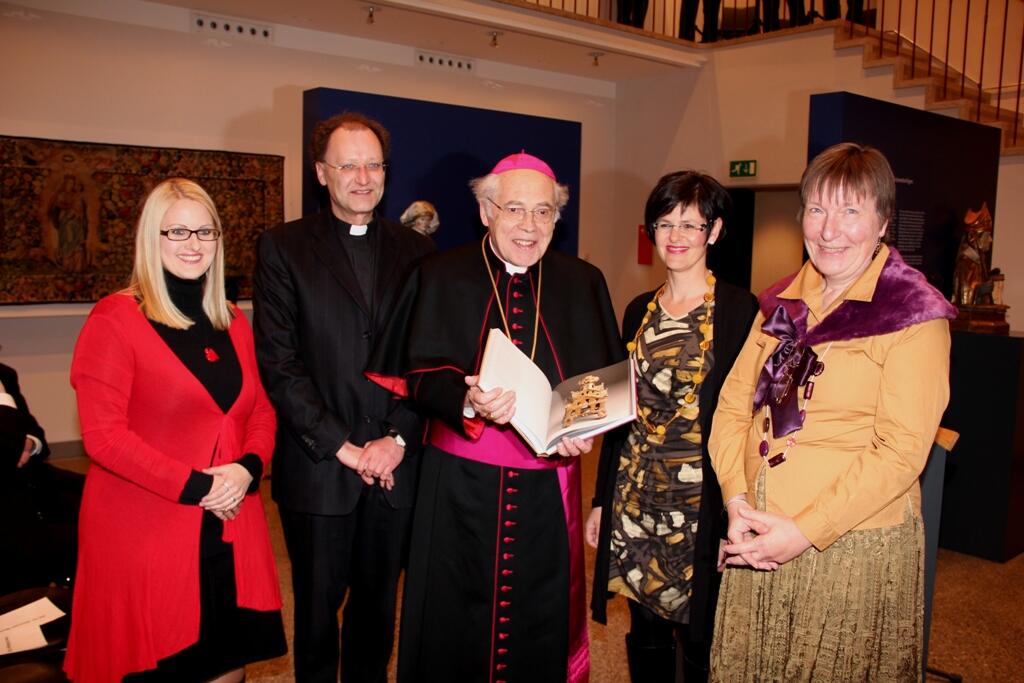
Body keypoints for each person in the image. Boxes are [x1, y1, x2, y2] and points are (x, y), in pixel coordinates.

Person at [366, 152, 622, 683]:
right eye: (515, 209)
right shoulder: (439, 274)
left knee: (539, 611)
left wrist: (581, 430)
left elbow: (602, 383)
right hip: (458, 484)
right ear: (486, 211)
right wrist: (466, 401)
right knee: (451, 614)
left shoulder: (584, 281)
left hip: (546, 492)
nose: (530, 226)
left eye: (544, 212)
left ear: (557, 217)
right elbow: (412, 374)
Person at [708, 143, 956, 681]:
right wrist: (736, 499)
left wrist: (804, 531)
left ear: (883, 221)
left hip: (847, 548)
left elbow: (900, 451)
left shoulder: (912, 315)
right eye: (817, 209)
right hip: (755, 536)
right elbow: (732, 408)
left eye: (851, 211)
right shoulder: (782, 304)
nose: (829, 230)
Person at [64, 179, 286, 682]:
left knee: (227, 663)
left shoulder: (231, 318)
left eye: (205, 231)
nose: (193, 244)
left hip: (229, 524)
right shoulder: (116, 319)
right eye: (177, 231)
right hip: (146, 529)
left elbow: (262, 412)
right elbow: (104, 437)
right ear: (151, 238)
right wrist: (201, 486)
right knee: (162, 664)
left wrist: (247, 470)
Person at [253, 112, 434, 683]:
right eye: (348, 164)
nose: (363, 177)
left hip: (395, 468)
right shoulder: (282, 248)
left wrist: (399, 437)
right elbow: (280, 367)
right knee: (314, 620)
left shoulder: (420, 252)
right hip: (318, 468)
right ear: (321, 173)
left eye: (374, 164)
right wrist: (347, 448)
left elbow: (434, 363)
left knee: (379, 615)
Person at [586, 171, 758, 682]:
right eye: (664, 224)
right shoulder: (639, 310)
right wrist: (601, 499)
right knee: (645, 631)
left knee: (701, 635)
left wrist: (741, 506)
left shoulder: (738, 310)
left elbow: (747, 418)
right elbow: (621, 413)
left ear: (716, 231)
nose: (676, 236)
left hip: (699, 503)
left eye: (690, 224)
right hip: (636, 499)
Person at [1, 360, 83, 595]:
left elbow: (39, 440)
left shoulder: (5, 374)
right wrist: (2, 400)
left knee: (100, 494)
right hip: (8, 498)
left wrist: (30, 443)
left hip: (34, 478)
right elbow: (7, 452)